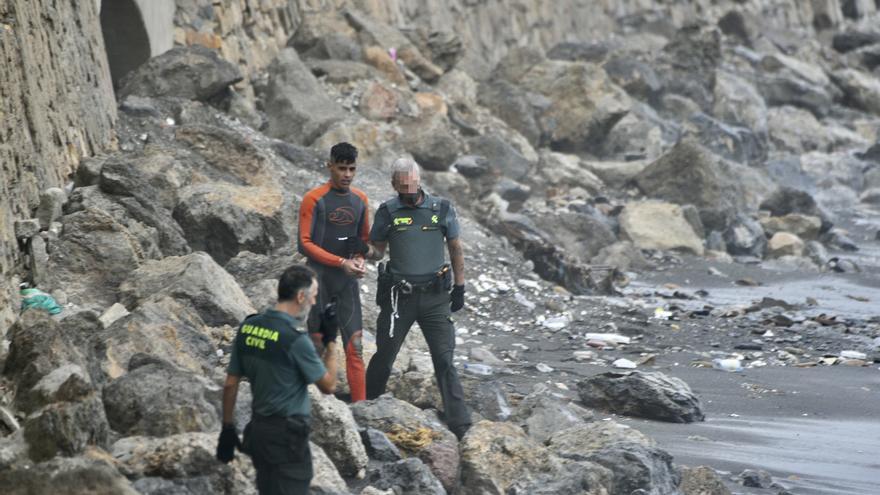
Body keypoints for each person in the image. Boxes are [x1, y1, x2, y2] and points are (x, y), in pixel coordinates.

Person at [364, 157, 471, 439]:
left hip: (435, 298)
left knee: (444, 359)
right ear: (394, 185)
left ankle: (460, 424)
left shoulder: (442, 208)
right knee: (385, 355)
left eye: (412, 186)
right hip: (399, 299)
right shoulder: (387, 211)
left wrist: (460, 287)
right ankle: (366, 408)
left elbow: (456, 248)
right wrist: (362, 250)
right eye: (403, 188)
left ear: (419, 180)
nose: (409, 193)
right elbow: (377, 251)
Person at [217, 265, 338, 495]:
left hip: (259, 431)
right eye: (313, 296)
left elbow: (230, 383)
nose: (314, 302)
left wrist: (227, 427)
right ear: (300, 296)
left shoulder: (249, 327)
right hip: (287, 437)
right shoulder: (294, 338)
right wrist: (331, 341)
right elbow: (329, 385)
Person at [297, 142, 374, 402]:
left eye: (352, 169)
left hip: (346, 283)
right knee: (316, 343)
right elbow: (304, 243)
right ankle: (309, 402)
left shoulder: (360, 200)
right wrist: (341, 262)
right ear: (329, 166)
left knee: (356, 346)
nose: (347, 175)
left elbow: (363, 241)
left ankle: (361, 408)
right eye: (342, 168)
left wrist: (359, 260)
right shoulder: (314, 198)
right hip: (318, 280)